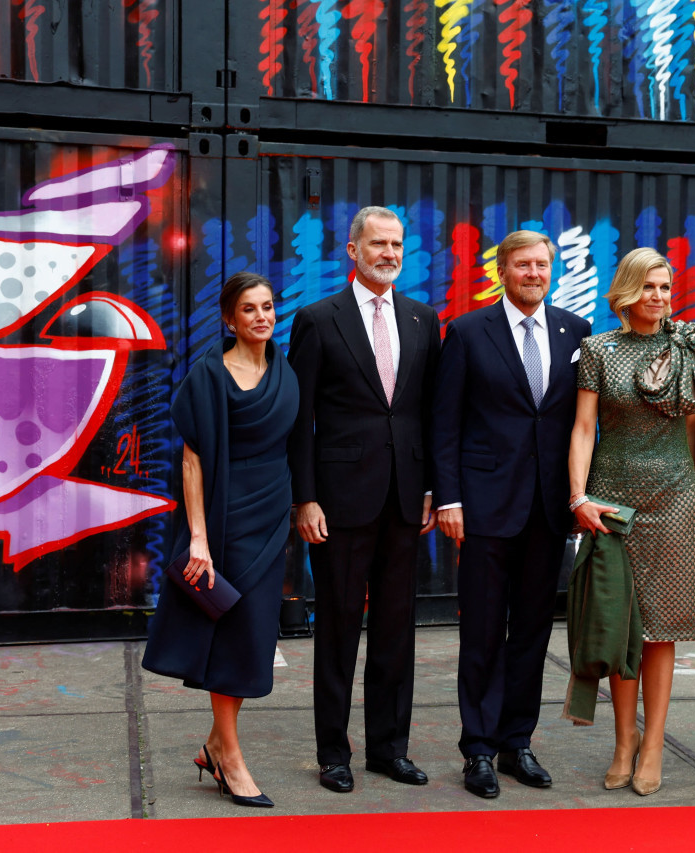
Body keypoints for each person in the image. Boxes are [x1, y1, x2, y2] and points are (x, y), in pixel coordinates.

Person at [288, 206, 442, 794]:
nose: (389, 253)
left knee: (397, 630)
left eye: (397, 244)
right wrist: (305, 499)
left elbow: (429, 412)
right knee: (338, 629)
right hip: (339, 501)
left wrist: (432, 488)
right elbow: (301, 419)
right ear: (352, 249)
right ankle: (334, 753)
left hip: (406, 499)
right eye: (377, 243)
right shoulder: (317, 319)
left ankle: (389, 749)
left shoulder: (423, 319)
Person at [432, 230, 591, 799]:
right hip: (483, 509)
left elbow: (581, 425)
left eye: (542, 265)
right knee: (480, 633)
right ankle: (476, 748)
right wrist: (448, 498)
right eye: (523, 265)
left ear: (553, 270)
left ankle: (515, 743)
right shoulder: (470, 331)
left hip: (549, 512)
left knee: (530, 633)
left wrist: (579, 495)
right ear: (502, 270)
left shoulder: (577, 331)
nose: (534, 274)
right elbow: (444, 424)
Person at [142, 271, 299, 808]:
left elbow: (295, 447)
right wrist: (200, 541)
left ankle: (214, 744)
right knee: (232, 634)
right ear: (230, 320)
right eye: (249, 309)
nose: (262, 316)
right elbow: (192, 461)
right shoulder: (209, 374)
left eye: (268, 306)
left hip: (270, 513)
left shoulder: (286, 373)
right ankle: (230, 759)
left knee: (252, 634)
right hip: (223, 518)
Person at [566, 248, 695, 795]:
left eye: (666, 289)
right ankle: (622, 739)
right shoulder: (598, 350)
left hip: (676, 496)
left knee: (663, 627)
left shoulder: (689, 349)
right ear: (627, 291)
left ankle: (653, 743)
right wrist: (579, 497)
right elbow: (584, 429)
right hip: (614, 499)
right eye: (649, 287)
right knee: (620, 619)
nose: (659, 298)